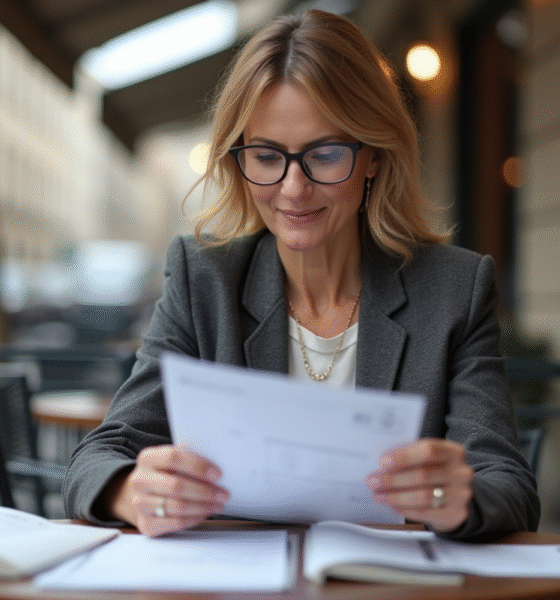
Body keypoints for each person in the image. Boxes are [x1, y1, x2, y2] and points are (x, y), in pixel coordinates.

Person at [63, 9, 539, 540]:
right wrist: (131, 490)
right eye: (267, 157)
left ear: (374, 156)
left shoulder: (454, 289)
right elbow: (97, 459)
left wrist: (459, 498)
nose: (292, 188)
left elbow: (510, 486)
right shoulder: (204, 281)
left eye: (326, 153)